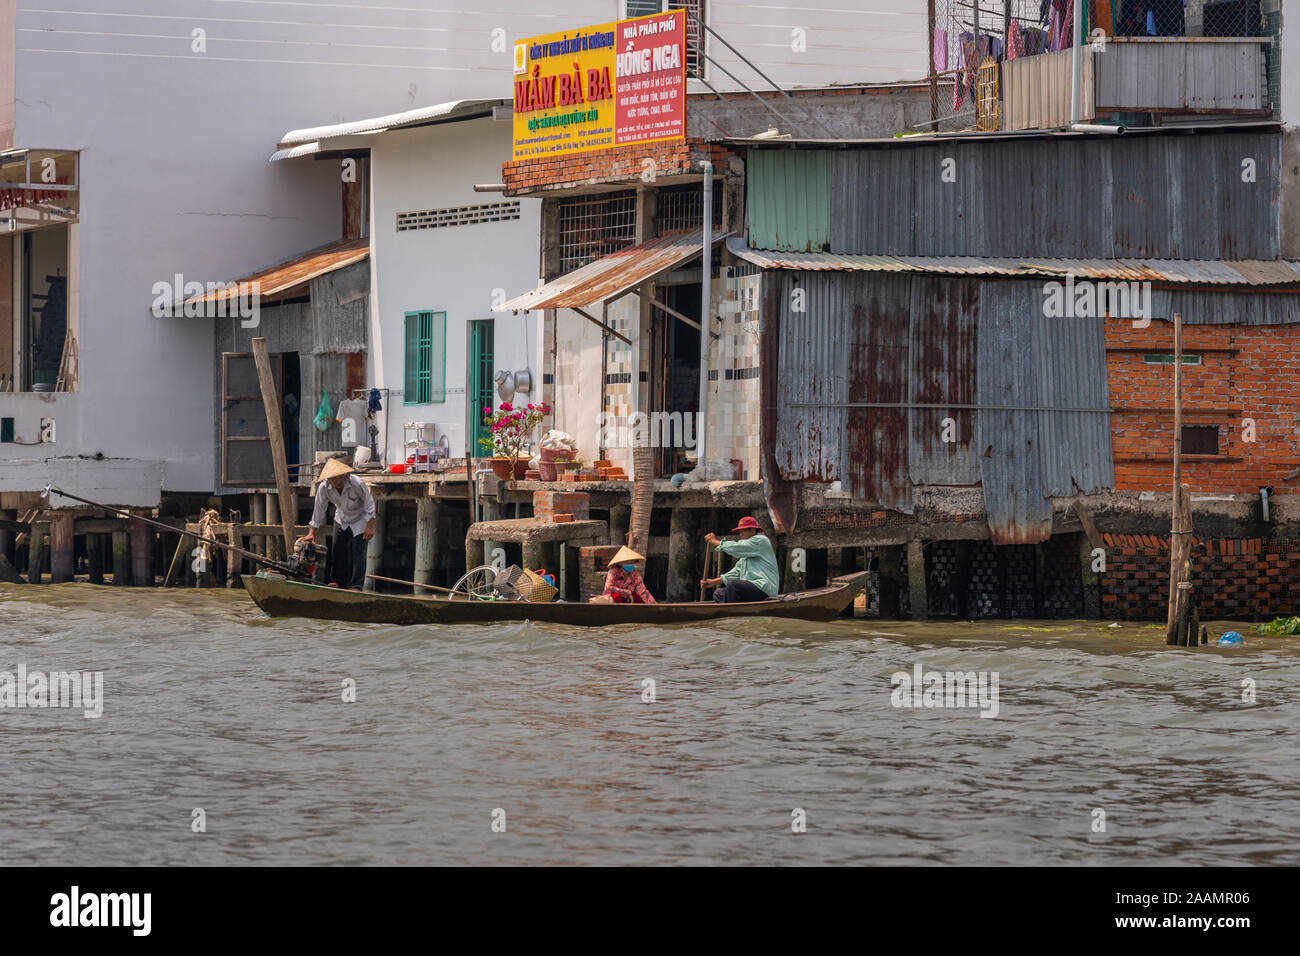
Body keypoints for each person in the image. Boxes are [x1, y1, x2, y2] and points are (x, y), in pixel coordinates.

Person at [297, 458, 376, 591]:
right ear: (328, 479)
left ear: (344, 476)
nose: (337, 482)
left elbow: (369, 504)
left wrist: (369, 526)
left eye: (339, 478)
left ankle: (356, 585)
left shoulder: (357, 483)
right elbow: (319, 509)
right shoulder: (324, 487)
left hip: (360, 519)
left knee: (358, 553)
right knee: (337, 551)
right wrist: (311, 533)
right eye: (333, 479)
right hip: (342, 519)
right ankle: (338, 582)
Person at [702, 516, 779, 603]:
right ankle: (737, 610)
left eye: (743, 530)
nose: (740, 534)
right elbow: (737, 572)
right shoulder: (747, 552)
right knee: (718, 593)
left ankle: (731, 612)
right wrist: (713, 582)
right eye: (740, 531)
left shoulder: (761, 540)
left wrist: (714, 541)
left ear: (753, 530)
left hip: (764, 589)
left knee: (733, 585)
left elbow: (737, 548)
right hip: (751, 590)